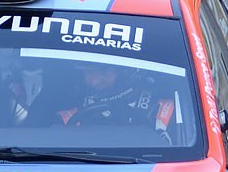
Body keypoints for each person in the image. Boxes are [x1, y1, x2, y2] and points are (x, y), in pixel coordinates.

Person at [30, 60, 177, 141]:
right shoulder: (66, 114)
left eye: (104, 72)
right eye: (88, 72)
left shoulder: (163, 110)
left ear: (126, 73)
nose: (94, 81)